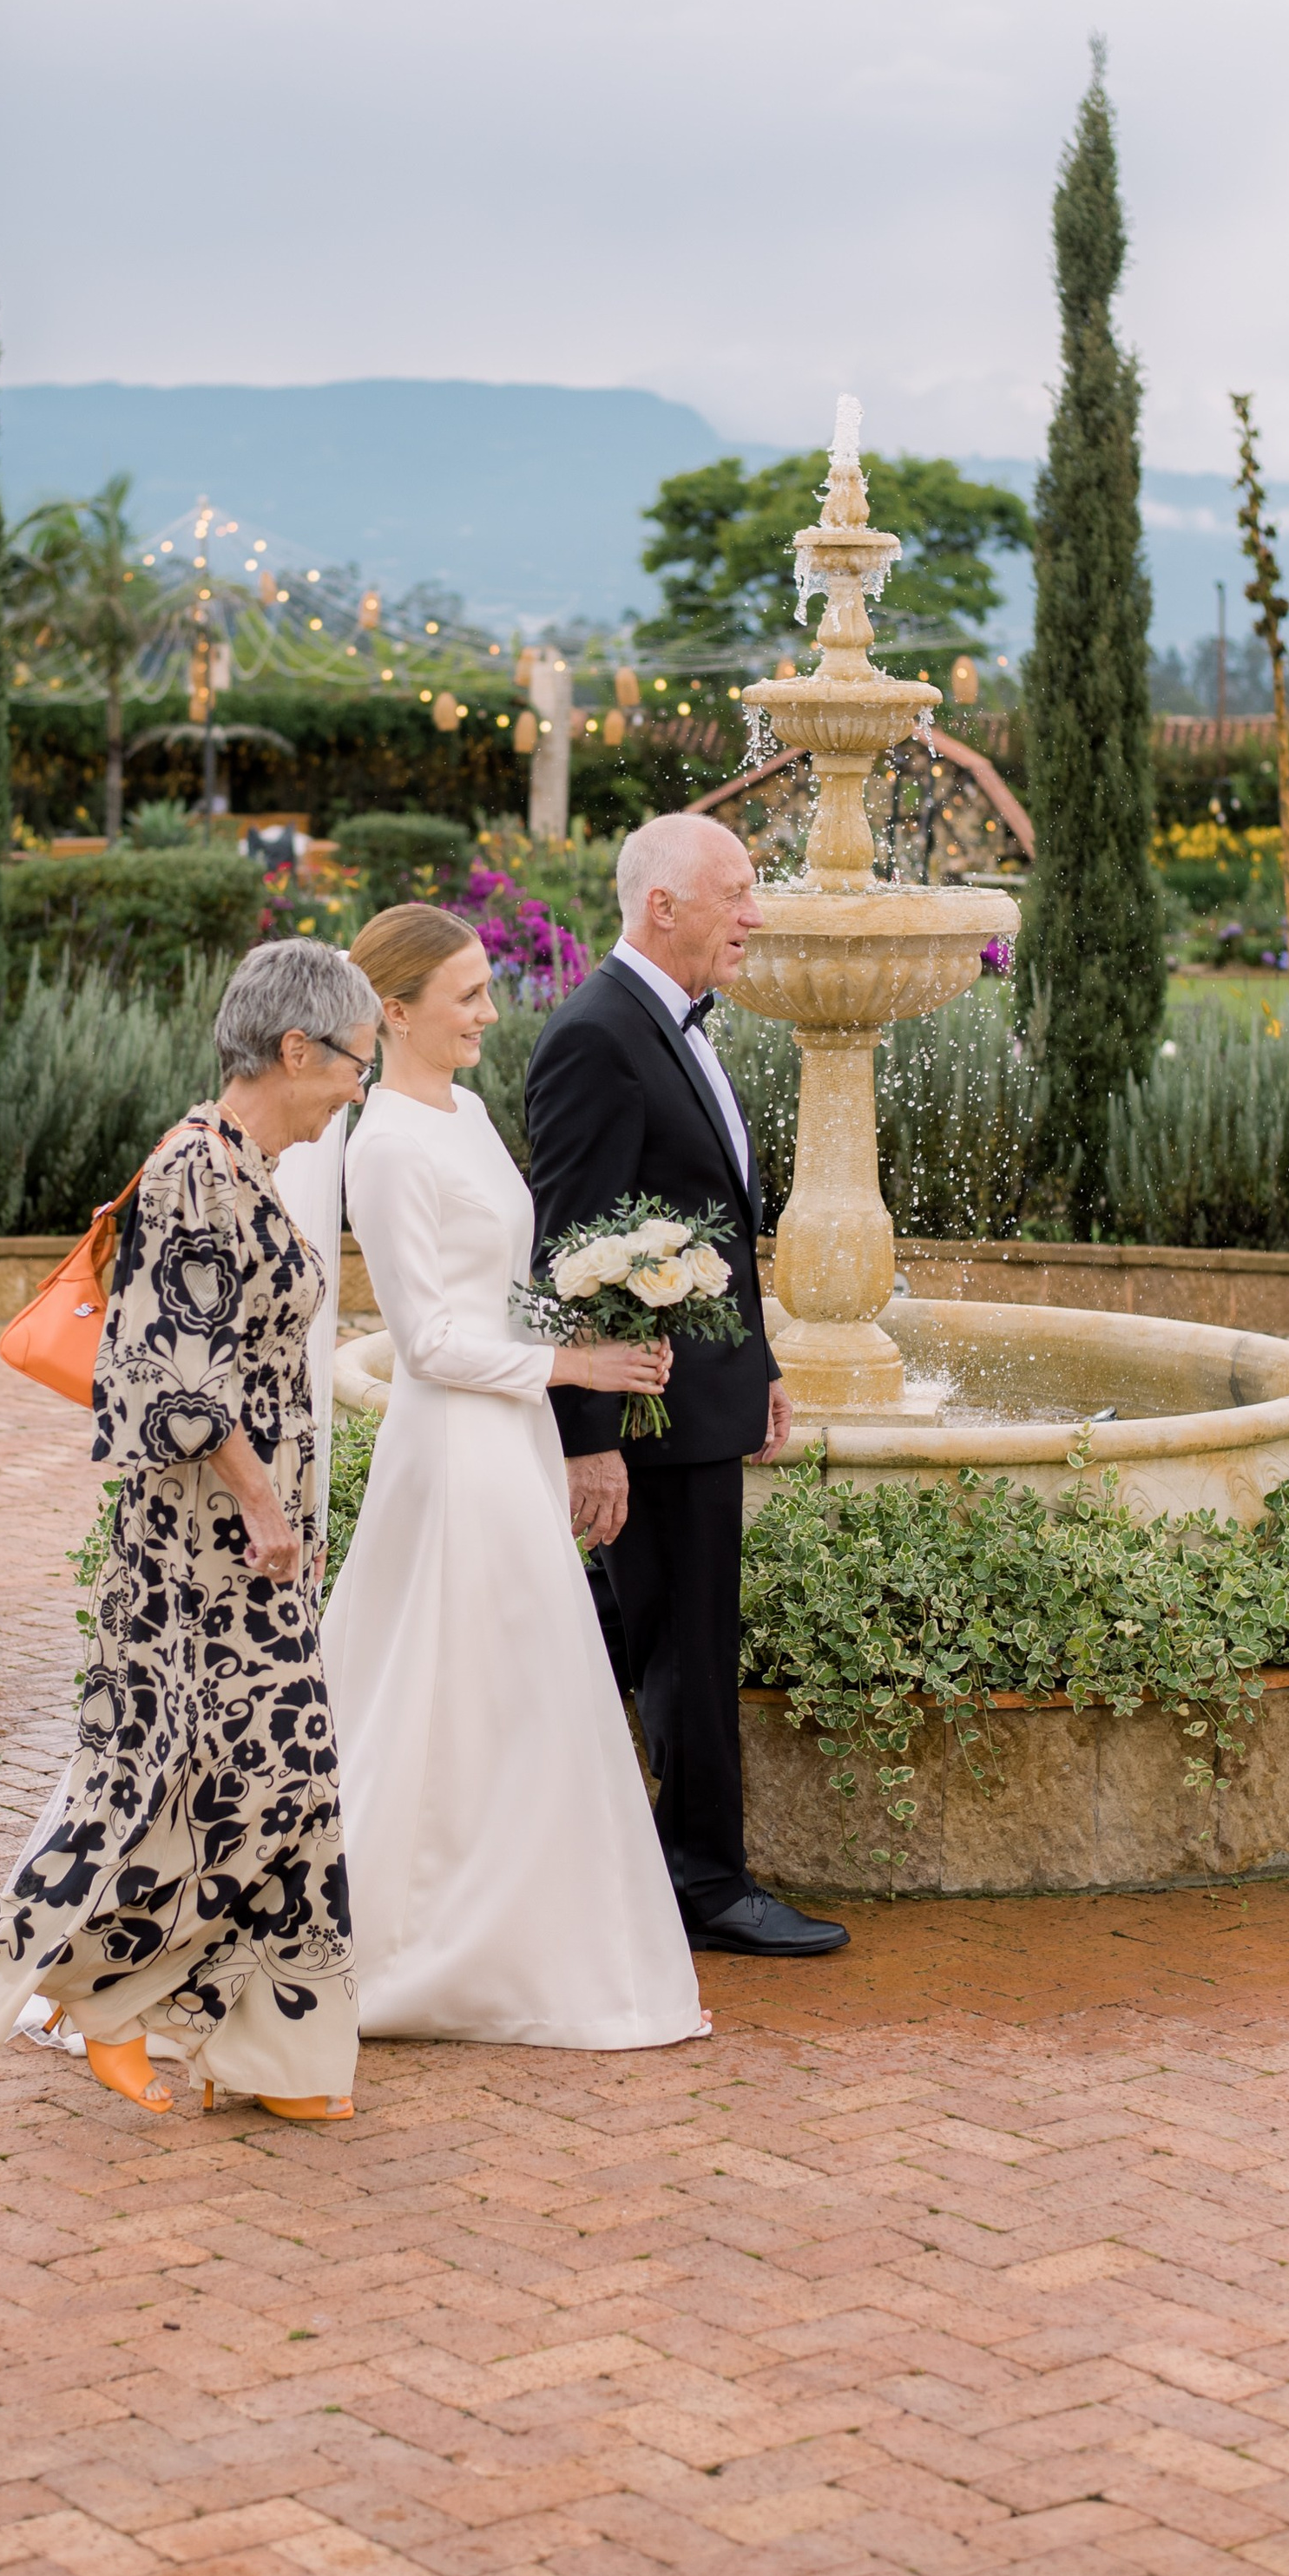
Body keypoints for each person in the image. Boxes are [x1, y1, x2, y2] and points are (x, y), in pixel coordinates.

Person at [0, 938, 380, 2124]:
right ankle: (95, 1997)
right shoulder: (199, 1170)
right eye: (354, 1061)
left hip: (252, 1548)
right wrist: (260, 1501)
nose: (359, 1085)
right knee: (222, 1783)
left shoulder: (243, 1165)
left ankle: (280, 2059)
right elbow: (171, 1382)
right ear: (297, 1048)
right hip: (207, 1554)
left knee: (288, 1789)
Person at [321, 904, 707, 2048]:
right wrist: (574, 1361)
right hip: (456, 1447)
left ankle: (524, 1927)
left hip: (516, 1437)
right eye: (468, 996)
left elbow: (505, 1280)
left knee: (516, 1691)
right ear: (394, 1011)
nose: (492, 1011)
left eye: (488, 987)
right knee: (471, 1687)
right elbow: (430, 1341)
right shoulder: (383, 1144)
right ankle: (408, 1941)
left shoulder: (472, 1111)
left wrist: (616, 1295)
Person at [525, 817, 849, 1962]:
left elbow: (718, 1234)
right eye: (739, 892)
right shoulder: (596, 1038)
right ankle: (706, 1883)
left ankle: (579, 1840)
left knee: (665, 1640)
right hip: (641, 1416)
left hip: (699, 1400)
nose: (756, 914)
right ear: (663, 905)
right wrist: (588, 1439)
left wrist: (755, 1372)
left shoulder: (673, 1025)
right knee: (685, 1654)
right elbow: (562, 1253)